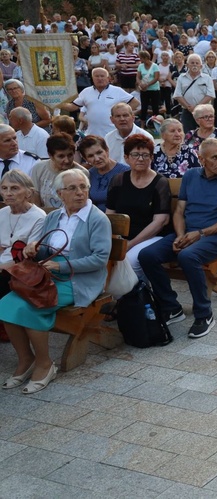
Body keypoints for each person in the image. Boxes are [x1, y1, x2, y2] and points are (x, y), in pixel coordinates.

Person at [0, 169, 111, 394]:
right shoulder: (53, 217)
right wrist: (34, 250)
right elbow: (45, 253)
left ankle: (44, 364)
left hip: (80, 279)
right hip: (49, 276)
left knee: (32, 306)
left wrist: (61, 265)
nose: (80, 193)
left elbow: (100, 259)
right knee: (5, 305)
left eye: (83, 187)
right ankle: (26, 359)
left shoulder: (97, 219)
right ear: (60, 193)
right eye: (72, 188)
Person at [139, 138, 217, 338]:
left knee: (187, 256)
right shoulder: (191, 176)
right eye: (215, 157)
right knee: (147, 255)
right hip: (188, 234)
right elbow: (179, 210)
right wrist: (180, 236)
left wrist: (201, 233)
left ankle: (204, 314)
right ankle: (171, 306)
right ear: (201, 159)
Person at [106, 134, 170, 280]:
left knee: (130, 260)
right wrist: (113, 240)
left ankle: (137, 297)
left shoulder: (160, 183)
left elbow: (160, 222)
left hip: (151, 237)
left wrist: (130, 244)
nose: (140, 159)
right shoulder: (118, 180)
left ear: (152, 158)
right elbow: (110, 216)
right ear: (127, 157)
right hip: (123, 237)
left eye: (145, 155)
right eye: (135, 154)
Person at [0, 170, 45, 300]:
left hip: (17, 272)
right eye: (4, 188)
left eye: (14, 188)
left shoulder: (38, 217)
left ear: (29, 192)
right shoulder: (2, 213)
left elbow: (27, 258)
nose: (8, 193)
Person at [60, 69, 139, 138]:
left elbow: (135, 103)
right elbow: (72, 107)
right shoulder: (86, 92)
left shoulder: (117, 91)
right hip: (92, 134)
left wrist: (120, 113)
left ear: (108, 78)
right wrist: (55, 104)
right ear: (92, 78)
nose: (99, 78)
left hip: (112, 133)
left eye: (102, 76)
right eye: (96, 76)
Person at [31, 134, 89, 209]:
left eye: (70, 155)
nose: (67, 160)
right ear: (50, 155)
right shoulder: (39, 168)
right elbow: (36, 198)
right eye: (61, 156)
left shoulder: (82, 173)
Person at [79, 135, 130, 211]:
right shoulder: (89, 174)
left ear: (107, 150)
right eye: (90, 156)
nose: (97, 159)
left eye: (99, 152)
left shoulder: (125, 172)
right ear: (85, 159)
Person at [173, 54, 215, 134]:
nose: (195, 65)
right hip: (187, 111)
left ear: (201, 65)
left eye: (197, 63)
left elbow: (210, 95)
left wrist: (197, 107)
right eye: (192, 63)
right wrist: (189, 107)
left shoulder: (207, 78)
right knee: (187, 134)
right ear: (187, 65)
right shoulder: (181, 77)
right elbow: (178, 94)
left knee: (205, 133)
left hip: (204, 112)